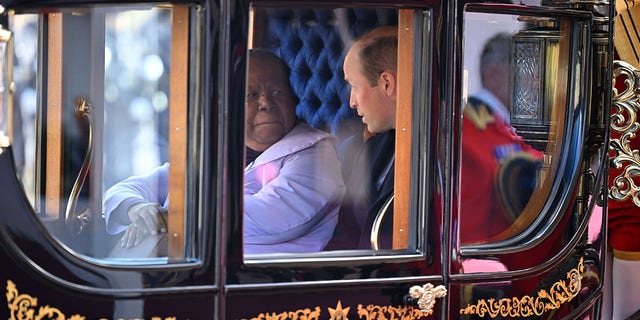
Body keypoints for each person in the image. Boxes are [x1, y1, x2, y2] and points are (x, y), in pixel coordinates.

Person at [103, 48, 345, 255]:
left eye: (277, 92)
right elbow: (125, 190)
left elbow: (272, 218)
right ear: (231, 105)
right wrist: (139, 210)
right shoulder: (221, 152)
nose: (266, 102)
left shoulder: (316, 154)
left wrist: (170, 218)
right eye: (252, 95)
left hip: (267, 289)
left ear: (293, 100)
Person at [459, 33, 544, 245]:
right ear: (494, 74)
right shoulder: (469, 131)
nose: (535, 85)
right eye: (526, 75)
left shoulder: (503, 124)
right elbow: (470, 229)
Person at [324, 26, 398, 250]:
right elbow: (345, 235)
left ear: (387, 83)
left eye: (355, 86)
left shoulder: (447, 157)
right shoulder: (370, 149)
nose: (351, 102)